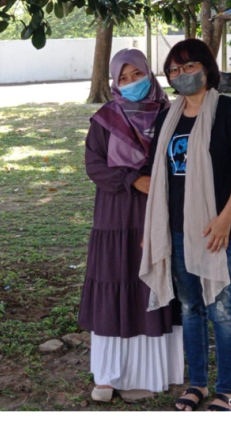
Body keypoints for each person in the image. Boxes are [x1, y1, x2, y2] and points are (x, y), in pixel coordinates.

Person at [139, 39, 231, 411]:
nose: (182, 75)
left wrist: (225, 219)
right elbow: (156, 176)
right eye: (174, 71)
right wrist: (154, 231)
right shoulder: (168, 117)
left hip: (217, 229)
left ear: (207, 68)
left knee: (221, 307)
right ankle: (196, 384)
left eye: (189, 66)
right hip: (177, 229)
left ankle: (227, 390)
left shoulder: (230, 111)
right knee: (191, 307)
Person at [79, 49, 183, 403]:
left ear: (148, 74)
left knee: (148, 284)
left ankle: (148, 374)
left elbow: (181, 159)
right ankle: (108, 376)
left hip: (158, 212)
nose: (130, 84)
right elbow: (94, 165)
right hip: (115, 214)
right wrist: (131, 180)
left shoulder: (171, 115)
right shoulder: (104, 119)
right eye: (122, 79)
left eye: (136, 75)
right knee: (115, 281)